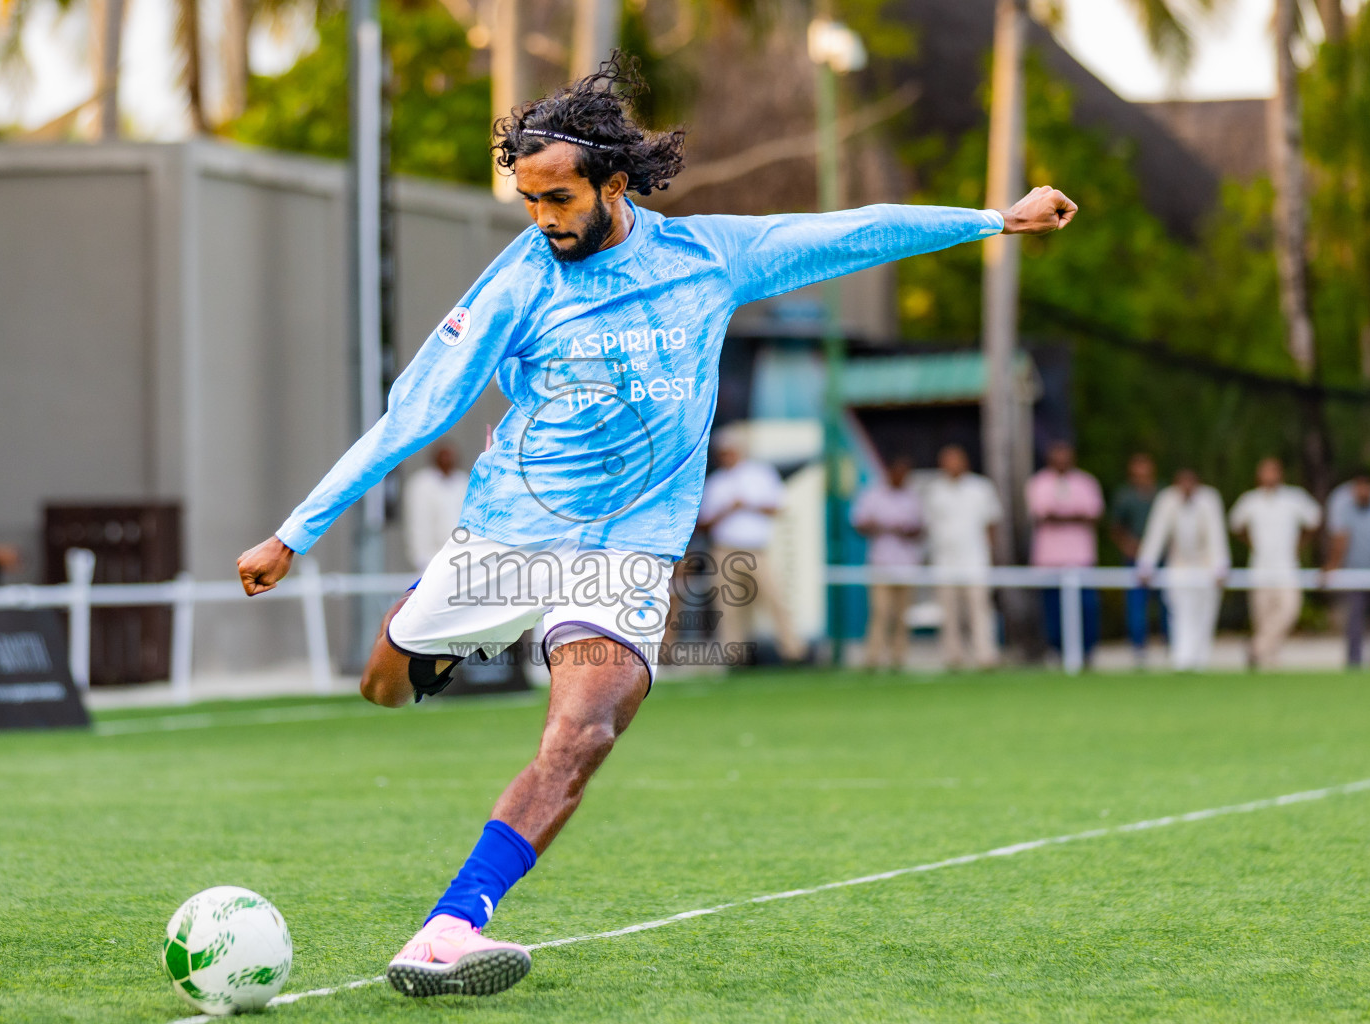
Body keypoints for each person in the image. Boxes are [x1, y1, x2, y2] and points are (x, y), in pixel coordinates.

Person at [234, 55, 1077, 998]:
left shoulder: (706, 258)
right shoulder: (515, 285)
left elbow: (849, 231)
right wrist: (293, 534)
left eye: (558, 198)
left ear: (614, 183)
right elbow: (412, 415)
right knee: (383, 688)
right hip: (510, 539)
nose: (544, 219)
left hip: (631, 550)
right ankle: (437, 638)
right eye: (529, 201)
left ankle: (449, 928)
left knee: (584, 734)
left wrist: (993, 218)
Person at [699, 435, 802, 664]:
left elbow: (778, 507)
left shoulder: (760, 474)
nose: (726, 457)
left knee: (776, 599)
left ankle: (793, 651)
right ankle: (734, 657)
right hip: (724, 550)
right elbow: (703, 523)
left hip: (757, 551)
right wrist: (728, 509)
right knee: (729, 606)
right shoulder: (715, 482)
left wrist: (747, 504)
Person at [1229, 457, 1320, 669]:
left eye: (1274, 471)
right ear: (1259, 476)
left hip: (1287, 567)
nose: (1270, 476)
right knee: (1263, 616)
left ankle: (1256, 648)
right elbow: (1236, 526)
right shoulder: (1250, 500)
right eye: (1265, 472)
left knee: (1289, 610)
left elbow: (1314, 521)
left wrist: (1299, 546)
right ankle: (1268, 660)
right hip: (1260, 568)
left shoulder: (1293, 497)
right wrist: (1252, 544)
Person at [1136, 469, 1229, 671]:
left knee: (1205, 613)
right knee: (1179, 611)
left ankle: (1201, 658)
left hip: (1206, 566)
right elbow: (1156, 533)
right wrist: (1146, 564)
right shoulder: (1167, 499)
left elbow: (1216, 534)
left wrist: (1220, 567)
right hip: (1179, 565)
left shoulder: (1209, 498)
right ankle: (1182, 657)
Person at [922, 445, 1003, 670]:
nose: (952, 465)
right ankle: (953, 656)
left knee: (980, 609)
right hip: (944, 561)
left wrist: (992, 552)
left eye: (956, 460)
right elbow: (927, 526)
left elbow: (992, 522)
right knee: (949, 612)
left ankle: (985, 654)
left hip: (975, 560)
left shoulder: (981, 488)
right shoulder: (934, 490)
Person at [1026, 441, 1103, 662]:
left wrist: (1060, 516)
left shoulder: (1086, 481)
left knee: (1086, 608)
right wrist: (1075, 516)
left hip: (1081, 557)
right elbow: (1042, 514)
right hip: (1049, 559)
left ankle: (1087, 652)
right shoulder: (1039, 482)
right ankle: (1057, 651)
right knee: (1053, 610)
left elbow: (1093, 516)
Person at [851, 455, 924, 670]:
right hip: (881, 562)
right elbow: (859, 523)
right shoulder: (874, 495)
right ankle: (873, 658)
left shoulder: (913, 497)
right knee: (880, 612)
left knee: (902, 615)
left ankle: (898, 657)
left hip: (907, 564)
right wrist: (881, 527)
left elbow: (920, 529)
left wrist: (902, 530)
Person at [1110, 452, 1164, 665]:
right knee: (1136, 604)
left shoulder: (1162, 493)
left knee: (1168, 603)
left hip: (1161, 557)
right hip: (1135, 557)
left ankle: (1171, 644)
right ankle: (1138, 647)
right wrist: (1129, 546)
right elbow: (1116, 528)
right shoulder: (1126, 495)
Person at [1324, 468, 1370, 667]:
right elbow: (1340, 537)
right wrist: (1332, 566)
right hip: (1355, 573)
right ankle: (1354, 663)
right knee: (1354, 619)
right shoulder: (1341, 500)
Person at [402, 444, 470, 570]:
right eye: (444, 456)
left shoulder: (464, 482)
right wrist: (422, 557)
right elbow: (418, 523)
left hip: (462, 556)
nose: (447, 460)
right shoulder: (421, 483)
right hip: (430, 558)